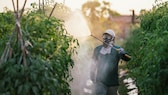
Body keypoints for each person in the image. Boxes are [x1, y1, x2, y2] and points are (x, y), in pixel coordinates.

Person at [90, 29, 131, 95]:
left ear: (113, 38)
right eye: (104, 36)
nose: (106, 38)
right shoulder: (97, 49)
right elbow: (93, 63)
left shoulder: (117, 50)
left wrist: (123, 53)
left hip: (113, 82)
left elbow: (128, 58)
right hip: (100, 81)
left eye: (108, 36)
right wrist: (92, 75)